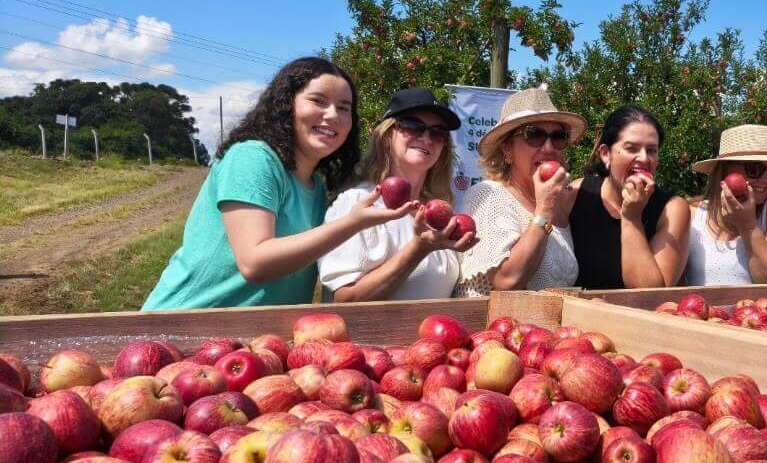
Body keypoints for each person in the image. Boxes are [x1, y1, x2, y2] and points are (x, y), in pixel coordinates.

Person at [143, 57, 402, 310]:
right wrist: (352, 223)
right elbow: (255, 263)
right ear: (286, 104)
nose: (333, 115)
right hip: (184, 323)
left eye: (344, 108)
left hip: (255, 343)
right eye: (318, 101)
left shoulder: (317, 186)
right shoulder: (253, 157)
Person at [318, 88, 476, 301]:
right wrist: (418, 250)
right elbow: (346, 300)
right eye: (412, 126)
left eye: (438, 132)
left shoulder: (438, 212)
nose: (427, 138)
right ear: (386, 137)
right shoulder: (359, 203)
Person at [454, 86, 586, 296]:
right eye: (534, 135)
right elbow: (507, 280)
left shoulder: (556, 205)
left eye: (559, 136)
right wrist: (544, 211)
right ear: (507, 148)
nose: (549, 148)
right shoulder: (489, 195)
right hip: (491, 327)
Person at [570, 106, 691, 289]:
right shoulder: (578, 194)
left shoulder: (672, 209)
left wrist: (632, 217)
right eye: (631, 148)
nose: (643, 158)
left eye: (651, 150)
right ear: (605, 154)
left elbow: (650, 294)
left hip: (636, 317)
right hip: (578, 315)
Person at [683, 124, 767, 286]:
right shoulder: (692, 214)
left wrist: (748, 227)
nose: (766, 180)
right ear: (725, 169)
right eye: (754, 168)